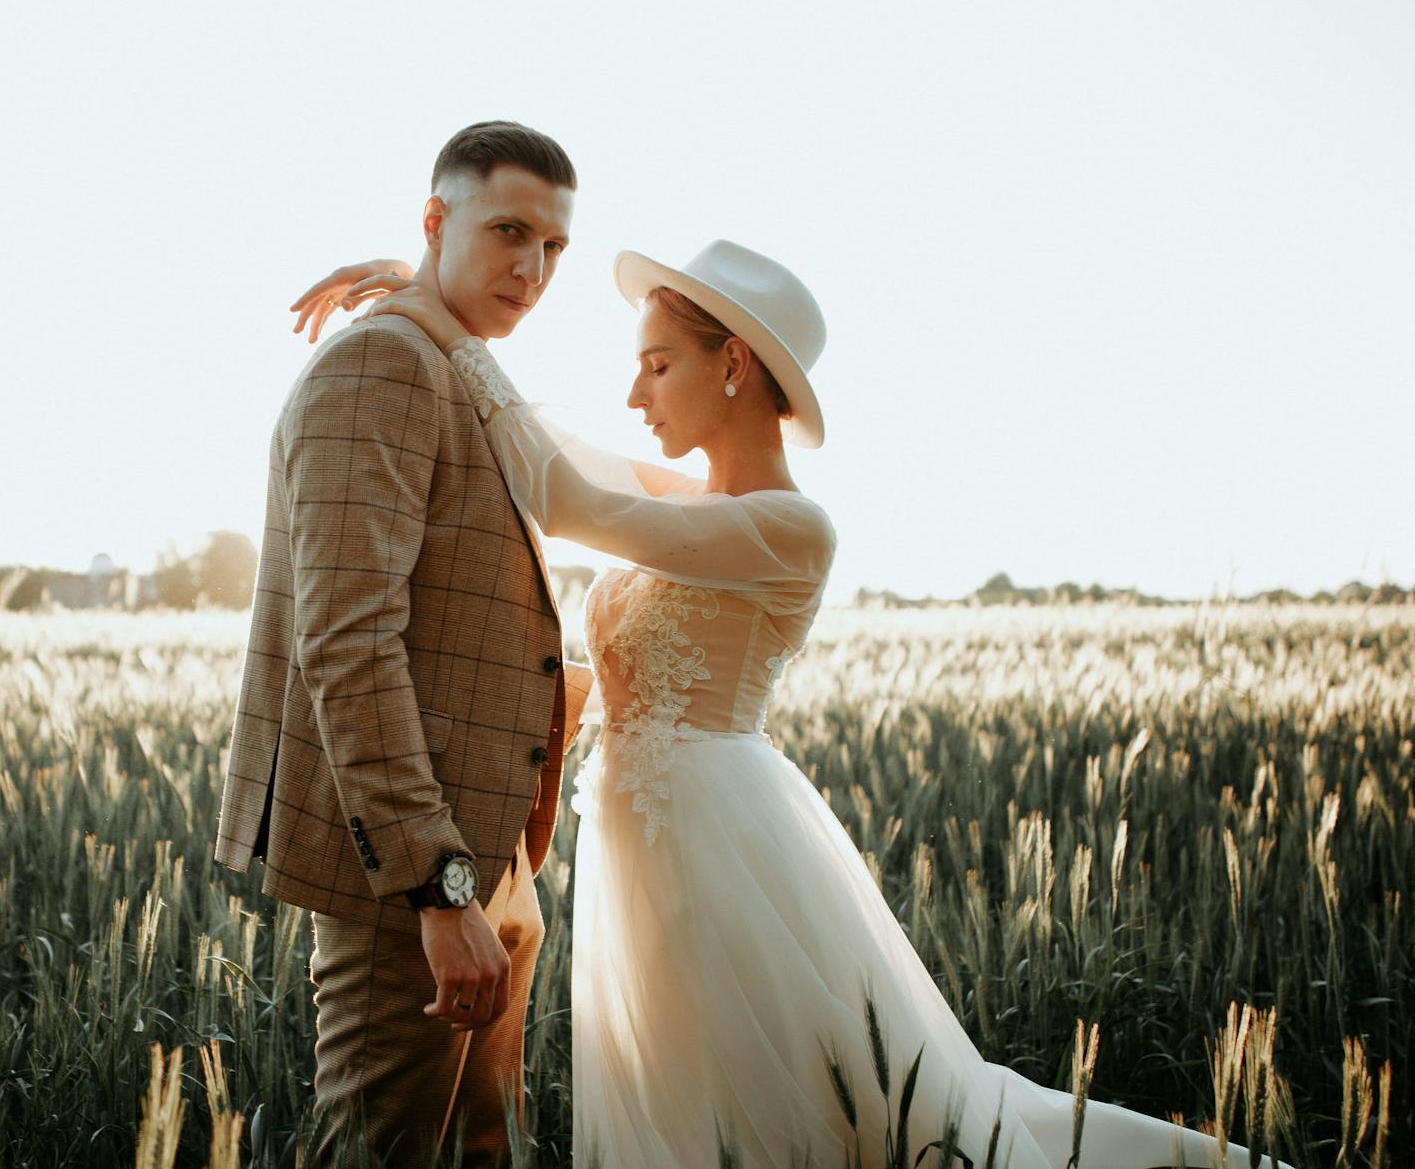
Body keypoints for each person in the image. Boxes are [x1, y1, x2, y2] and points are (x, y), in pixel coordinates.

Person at [299, 239, 1282, 1167]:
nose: (634, 394)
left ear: (731, 363)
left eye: (656, 366)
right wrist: (432, 293)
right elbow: (555, 448)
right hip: (640, 837)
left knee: (773, 1100)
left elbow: (568, 500)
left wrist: (444, 324)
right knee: (687, 1096)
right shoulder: (691, 503)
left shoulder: (790, 526)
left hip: (716, 842)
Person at [213, 120, 595, 1168]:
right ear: (435, 218)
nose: (533, 269)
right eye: (507, 231)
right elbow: (347, 642)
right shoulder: (380, 365)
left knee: (482, 1151)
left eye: (554, 247)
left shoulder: (445, 361)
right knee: (382, 1153)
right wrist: (436, 885)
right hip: (410, 882)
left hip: (493, 857)